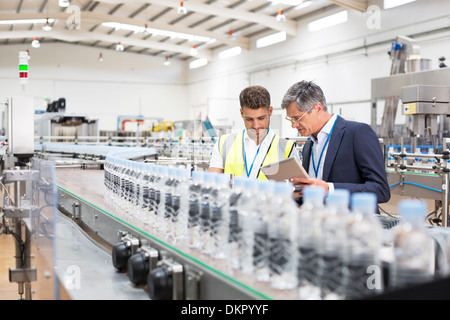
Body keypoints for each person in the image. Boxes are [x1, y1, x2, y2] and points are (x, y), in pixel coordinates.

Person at [281, 80, 390, 208]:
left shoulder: (357, 133)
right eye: (291, 120)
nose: (294, 125)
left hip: (353, 223)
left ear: (317, 108)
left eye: (297, 118)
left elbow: (381, 190)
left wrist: (329, 189)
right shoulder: (308, 146)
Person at [209, 85, 301, 179]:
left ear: (270, 111)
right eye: (249, 119)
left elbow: (294, 190)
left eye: (261, 118)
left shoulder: (287, 149)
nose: (256, 125)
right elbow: (213, 184)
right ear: (242, 113)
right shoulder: (224, 143)